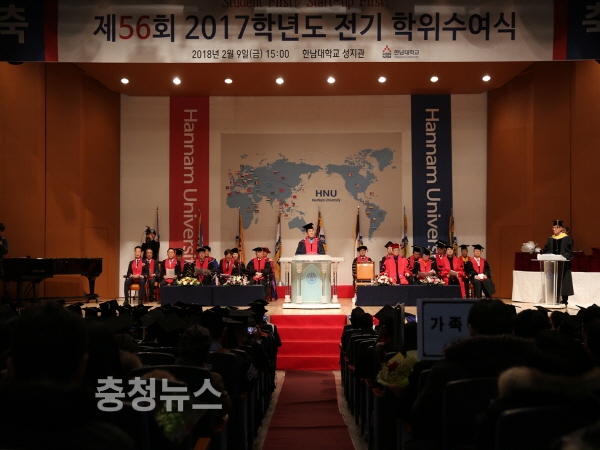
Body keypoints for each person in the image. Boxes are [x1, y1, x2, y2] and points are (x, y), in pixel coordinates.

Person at [540, 219, 574, 306]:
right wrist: (542, 252)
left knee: (564, 282)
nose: (553, 229)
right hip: (552, 265)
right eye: (553, 227)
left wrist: (562, 257)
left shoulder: (567, 239)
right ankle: (554, 299)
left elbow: (569, 251)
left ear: (560, 228)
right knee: (553, 281)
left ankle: (564, 300)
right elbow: (547, 249)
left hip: (563, 264)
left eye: (555, 227)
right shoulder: (551, 239)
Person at [0, 223, 8, 302]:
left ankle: (5, 300)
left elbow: (5, 251)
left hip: (0, 264)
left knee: (5, 282)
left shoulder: (3, 240)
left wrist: (1, 245)